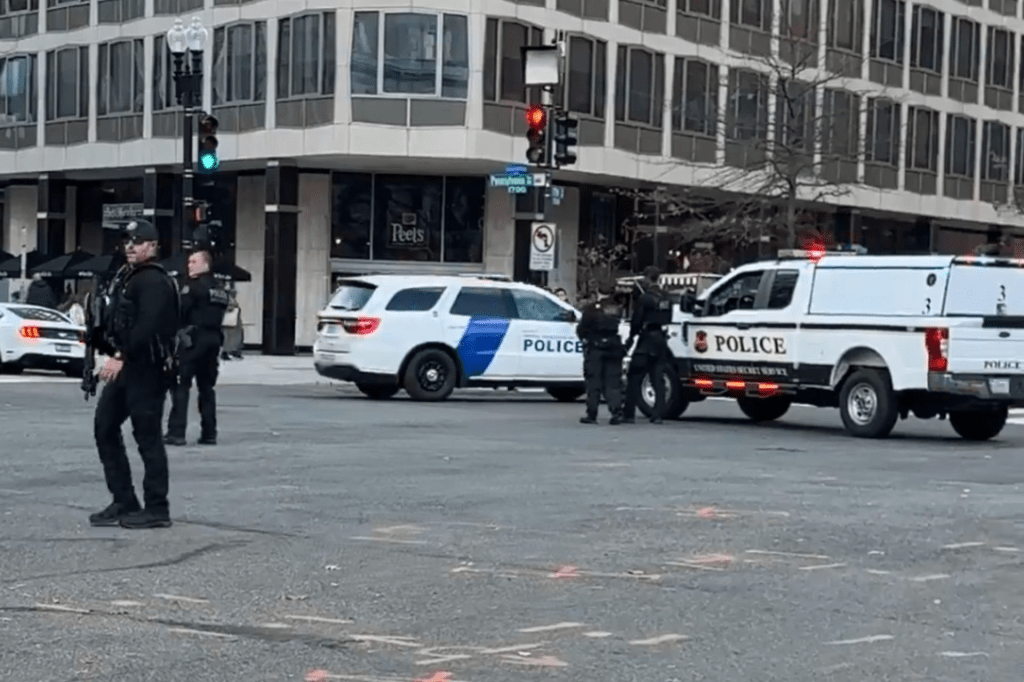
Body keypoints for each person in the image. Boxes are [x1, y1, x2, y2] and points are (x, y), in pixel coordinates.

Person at [89, 219, 179, 529]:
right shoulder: (127, 276)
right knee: (104, 426)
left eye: (137, 241)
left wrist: (120, 355)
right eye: (128, 241)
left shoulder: (154, 280)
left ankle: (157, 508)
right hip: (128, 366)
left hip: (148, 369)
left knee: (147, 436)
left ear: (152, 246)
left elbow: (147, 326)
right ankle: (124, 500)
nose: (130, 246)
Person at [165, 249, 229, 446]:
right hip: (214, 339)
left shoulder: (191, 287)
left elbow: (179, 312)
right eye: (189, 262)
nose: (189, 265)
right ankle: (209, 433)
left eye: (194, 262)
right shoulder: (220, 290)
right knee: (207, 388)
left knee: (180, 385)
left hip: (193, 339)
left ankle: (177, 432)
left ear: (205, 265)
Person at [622, 266, 673, 424]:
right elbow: (669, 317)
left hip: (646, 339)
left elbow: (637, 320)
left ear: (647, 278)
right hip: (661, 339)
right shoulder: (667, 297)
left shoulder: (645, 298)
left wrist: (632, 337)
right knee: (658, 378)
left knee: (634, 376)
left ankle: (628, 414)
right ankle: (658, 414)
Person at [576, 281, 625, 424]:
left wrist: (585, 339)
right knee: (613, 382)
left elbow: (581, 329)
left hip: (595, 347)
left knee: (594, 382)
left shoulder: (591, 309)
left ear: (597, 291)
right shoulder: (618, 309)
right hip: (614, 347)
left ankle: (592, 414)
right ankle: (616, 413)